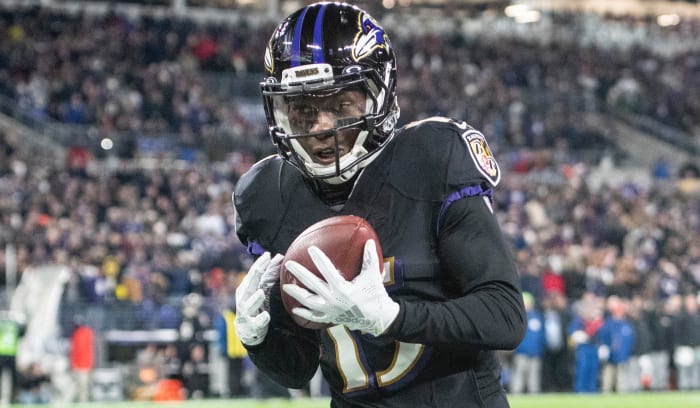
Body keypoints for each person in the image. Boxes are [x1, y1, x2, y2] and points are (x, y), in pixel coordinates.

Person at [232, 2, 526, 407]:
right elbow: (297, 369)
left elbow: (505, 315)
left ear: (378, 95)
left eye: (341, 105)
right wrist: (258, 338)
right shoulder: (268, 196)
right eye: (303, 109)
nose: (322, 127)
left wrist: (391, 318)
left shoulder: (431, 159)